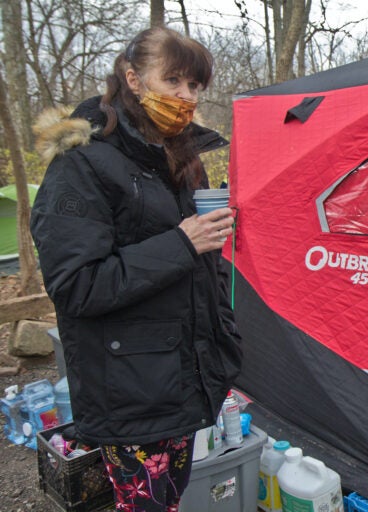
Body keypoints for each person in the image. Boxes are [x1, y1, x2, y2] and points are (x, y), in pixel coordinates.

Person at [30, 27, 243, 512]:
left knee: (170, 497)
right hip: (131, 385)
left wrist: (224, 332)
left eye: (194, 87)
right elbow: (76, 286)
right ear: (133, 78)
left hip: (187, 375)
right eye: (173, 81)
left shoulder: (185, 160)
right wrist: (182, 243)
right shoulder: (82, 164)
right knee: (145, 505)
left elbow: (206, 262)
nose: (186, 97)